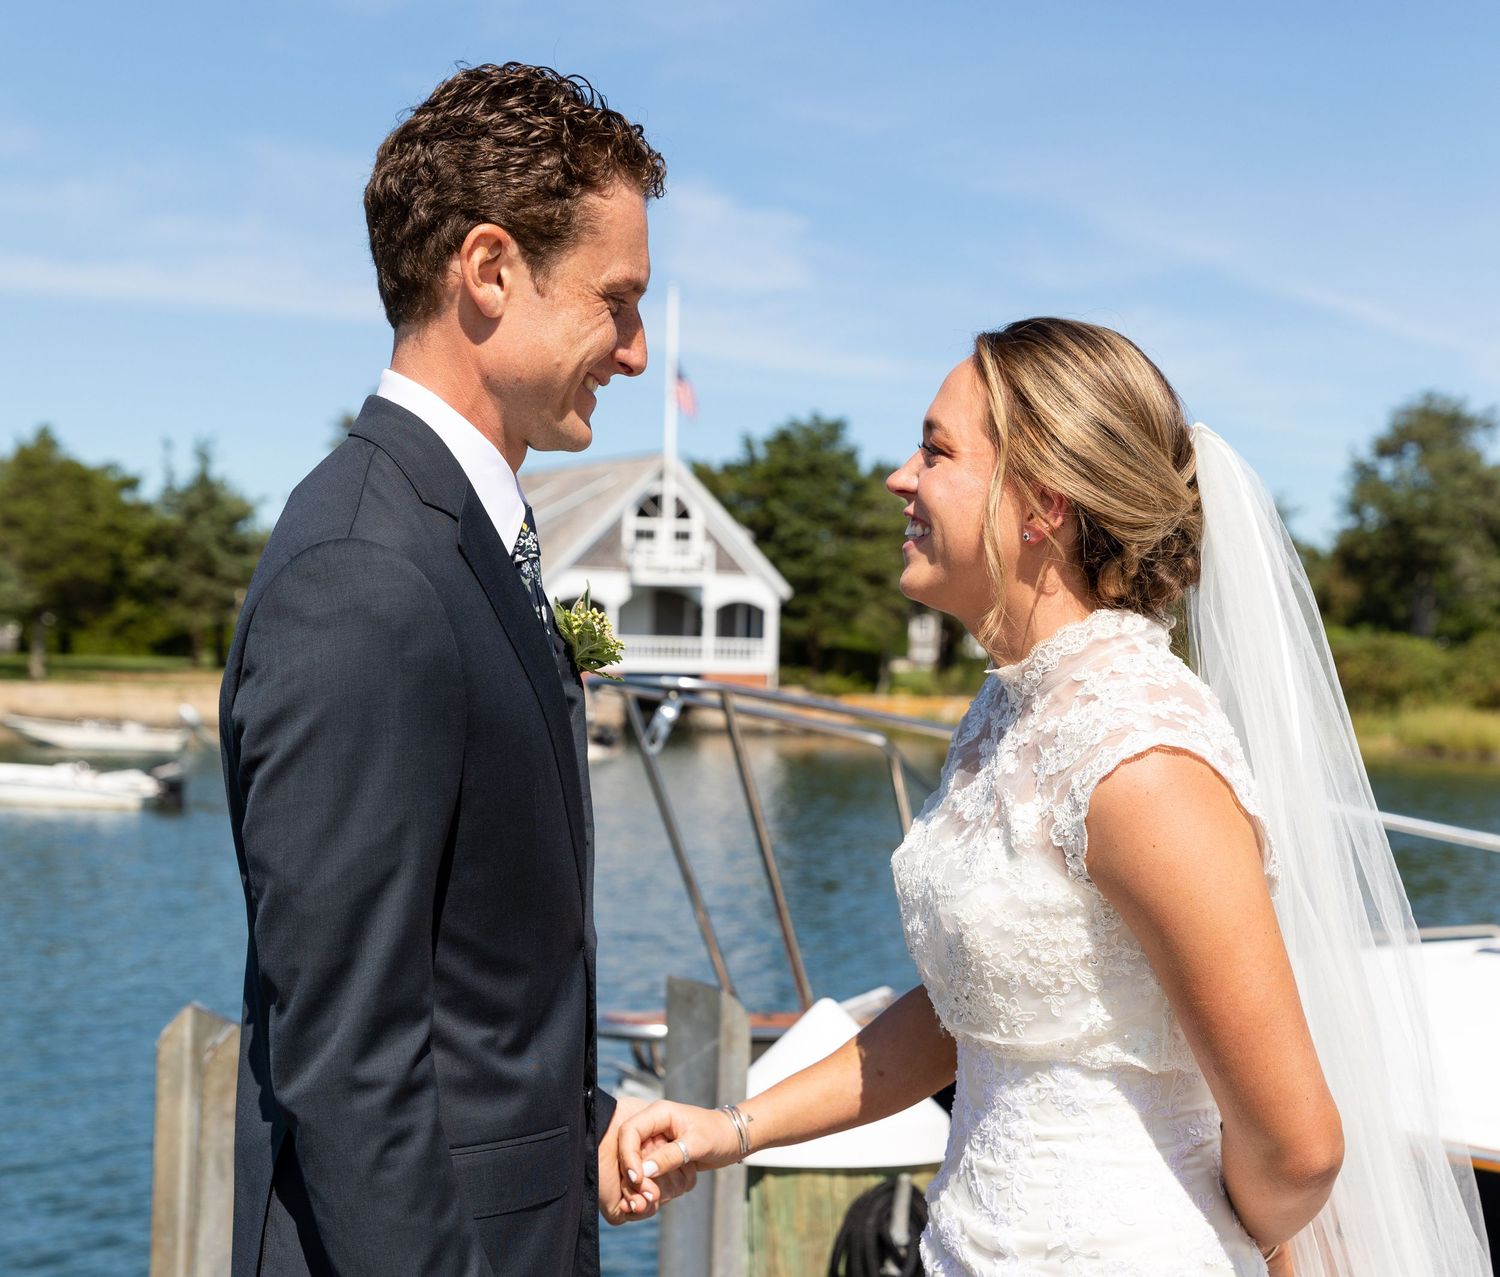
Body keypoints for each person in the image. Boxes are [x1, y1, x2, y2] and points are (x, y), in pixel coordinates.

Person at [614, 319, 1493, 1275]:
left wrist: (1169, 1230)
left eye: (936, 450)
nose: (898, 478)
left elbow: (1300, 1146)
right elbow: (972, 1009)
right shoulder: (1009, 706)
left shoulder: (1141, 757)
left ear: (1041, 506)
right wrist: (732, 1126)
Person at [220, 63, 691, 1277]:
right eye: (616, 300)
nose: (634, 352)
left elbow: (462, 980)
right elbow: (348, 1056)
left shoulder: (450, 539)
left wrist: (570, 1129)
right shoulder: (363, 572)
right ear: (489, 270)